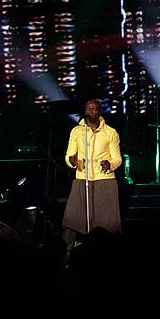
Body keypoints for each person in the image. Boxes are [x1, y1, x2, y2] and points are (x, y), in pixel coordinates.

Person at [62, 99, 122, 258]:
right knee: (72, 218)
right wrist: (73, 161)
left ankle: (107, 255)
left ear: (100, 112)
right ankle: (65, 256)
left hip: (105, 180)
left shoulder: (110, 132)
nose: (91, 112)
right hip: (83, 178)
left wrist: (109, 164)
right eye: (88, 109)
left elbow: (117, 158)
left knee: (107, 222)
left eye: (94, 109)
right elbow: (69, 155)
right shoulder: (77, 131)